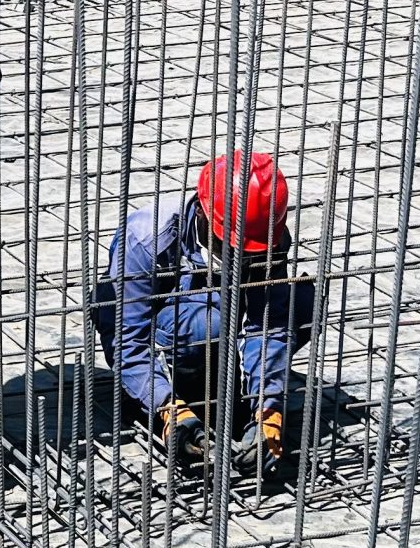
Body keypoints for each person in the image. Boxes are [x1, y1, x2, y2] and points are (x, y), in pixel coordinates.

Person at [90, 152, 317, 480]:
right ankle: (166, 396)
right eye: (232, 245)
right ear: (204, 215)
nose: (240, 254)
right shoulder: (147, 237)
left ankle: (233, 395)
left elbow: (269, 324)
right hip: (155, 318)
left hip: (216, 305)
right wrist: (170, 411)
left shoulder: (265, 233)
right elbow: (129, 340)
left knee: (302, 304)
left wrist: (268, 410)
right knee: (206, 325)